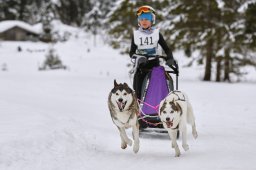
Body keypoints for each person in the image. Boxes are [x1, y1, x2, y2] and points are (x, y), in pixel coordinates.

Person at [129, 5, 175, 99]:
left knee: (156, 88)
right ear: (139, 21)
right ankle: (138, 107)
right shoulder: (136, 35)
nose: (144, 21)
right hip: (141, 65)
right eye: (141, 19)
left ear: (152, 20)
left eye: (147, 18)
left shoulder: (156, 34)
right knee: (137, 89)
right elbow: (131, 53)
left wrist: (170, 58)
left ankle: (159, 105)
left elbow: (167, 49)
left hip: (154, 64)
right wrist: (138, 57)